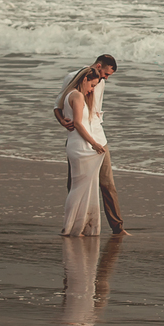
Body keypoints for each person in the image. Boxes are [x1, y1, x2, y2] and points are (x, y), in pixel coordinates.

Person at [55, 55, 128, 235]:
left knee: (107, 184)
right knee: (75, 184)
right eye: (106, 74)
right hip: (79, 139)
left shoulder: (100, 82)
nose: (106, 79)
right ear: (98, 66)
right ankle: (75, 223)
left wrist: (96, 142)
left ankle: (117, 227)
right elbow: (58, 106)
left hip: (98, 138)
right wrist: (62, 121)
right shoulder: (73, 78)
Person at [58, 68, 107, 236]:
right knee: (79, 188)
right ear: (85, 79)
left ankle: (78, 224)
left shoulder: (69, 94)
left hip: (77, 143)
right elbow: (78, 123)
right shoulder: (77, 96)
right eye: (92, 85)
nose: (92, 89)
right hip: (79, 145)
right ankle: (70, 227)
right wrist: (94, 143)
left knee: (82, 186)